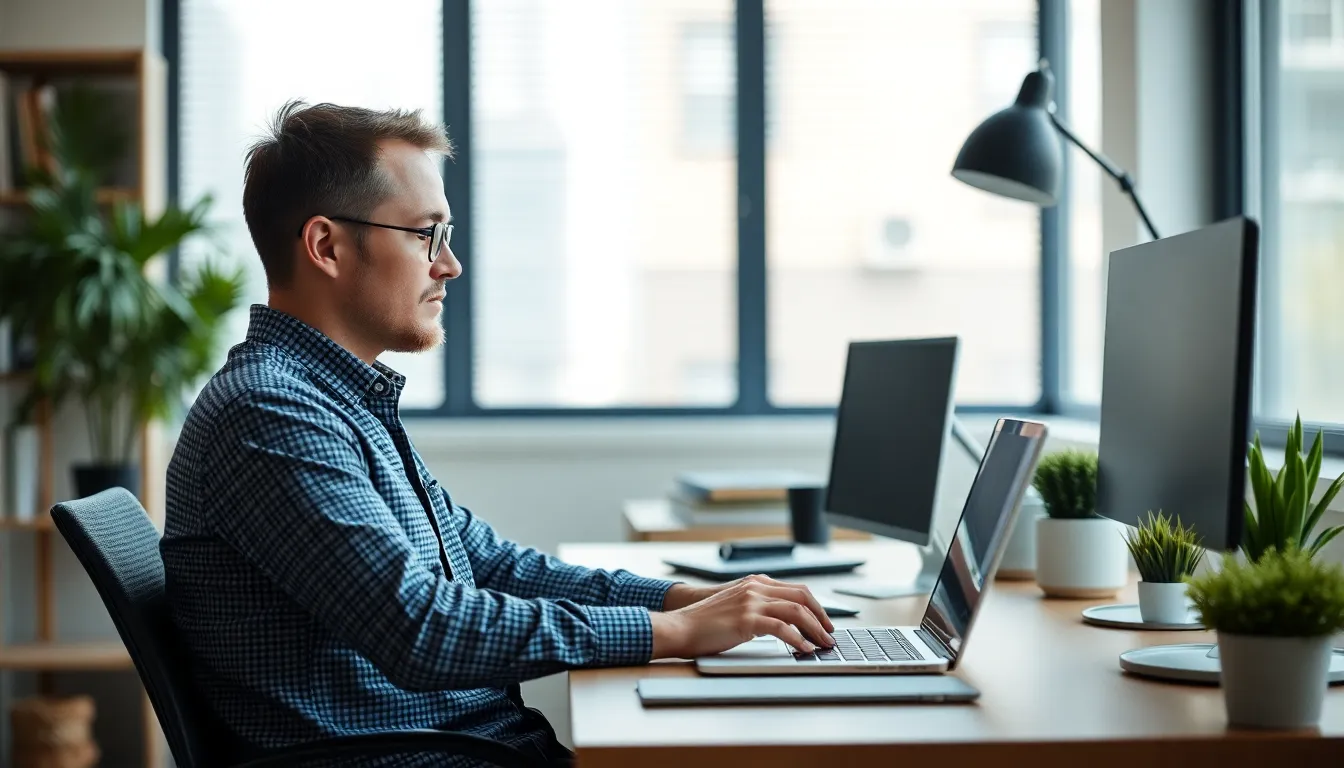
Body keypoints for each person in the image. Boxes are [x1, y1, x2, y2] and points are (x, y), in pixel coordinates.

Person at [160, 101, 835, 767]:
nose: (448, 265)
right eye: (427, 235)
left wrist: (681, 598)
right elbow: (420, 628)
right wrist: (673, 632)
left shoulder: (336, 401)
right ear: (326, 246)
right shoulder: (271, 416)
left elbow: (491, 565)